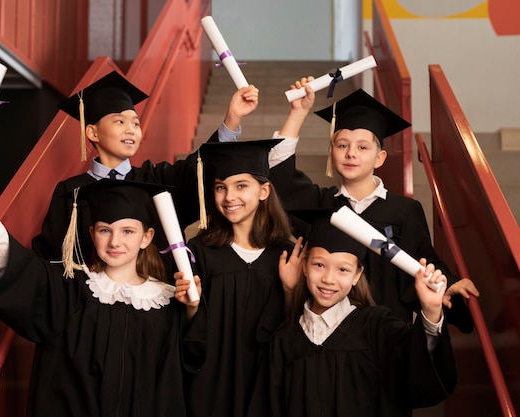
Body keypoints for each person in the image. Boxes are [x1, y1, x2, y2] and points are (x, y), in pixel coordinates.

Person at [0, 149, 198, 417]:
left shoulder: (167, 302)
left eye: (128, 231)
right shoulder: (69, 291)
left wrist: (191, 311)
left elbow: (184, 377)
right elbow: (10, 262)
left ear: (147, 237)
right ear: (91, 234)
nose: (115, 242)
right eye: (105, 230)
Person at [269, 81, 479, 332]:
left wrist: (448, 283)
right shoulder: (321, 205)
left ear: (379, 158)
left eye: (362, 147)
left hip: (386, 336)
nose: (351, 153)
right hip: (327, 339)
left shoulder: (404, 210)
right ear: (331, 152)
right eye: (342, 145)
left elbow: (422, 261)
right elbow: (279, 177)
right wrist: (297, 112)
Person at [32, 70, 260, 266]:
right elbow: (52, 256)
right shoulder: (69, 192)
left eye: (136, 123)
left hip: (155, 303)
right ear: (92, 133)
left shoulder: (157, 180)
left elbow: (198, 168)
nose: (131, 130)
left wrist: (232, 118)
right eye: (120, 122)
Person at [267, 208, 457, 417]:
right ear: (304, 267)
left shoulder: (377, 328)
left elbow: (420, 380)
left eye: (343, 270)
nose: (328, 279)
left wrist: (430, 310)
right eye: (319, 265)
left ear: (357, 275)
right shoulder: (284, 342)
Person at [174, 139, 294, 417]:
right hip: (212, 388)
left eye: (242, 186)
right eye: (220, 187)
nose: (229, 197)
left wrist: (290, 290)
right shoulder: (198, 253)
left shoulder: (287, 255)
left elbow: (297, 330)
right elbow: (187, 338)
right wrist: (191, 308)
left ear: (264, 191)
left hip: (270, 386)